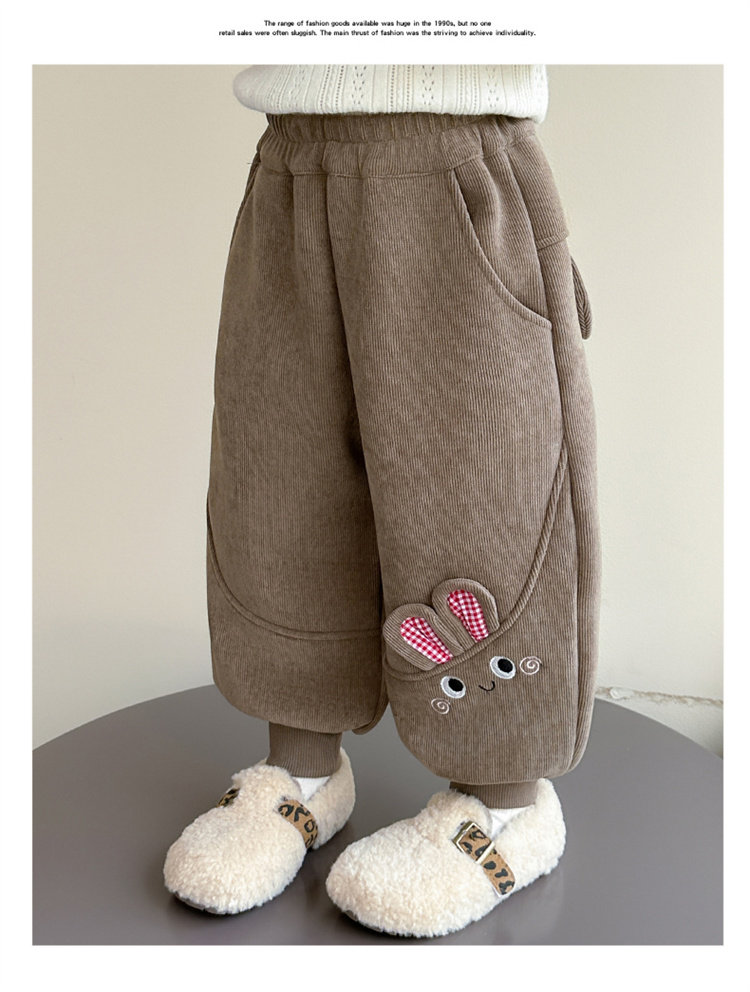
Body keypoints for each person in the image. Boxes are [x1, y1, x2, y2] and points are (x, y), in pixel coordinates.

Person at [163, 64, 600, 938]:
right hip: (290, 160)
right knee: (278, 480)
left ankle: (506, 804)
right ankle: (302, 771)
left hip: (457, 156)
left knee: (481, 487)